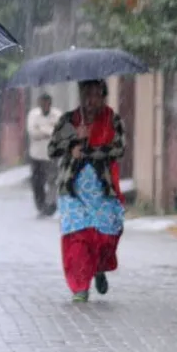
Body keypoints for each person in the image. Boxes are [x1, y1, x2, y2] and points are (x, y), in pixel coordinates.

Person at [47, 79, 126, 302]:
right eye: (86, 95)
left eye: (95, 95)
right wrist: (72, 143)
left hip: (103, 190)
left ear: (103, 96)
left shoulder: (112, 120)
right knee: (77, 237)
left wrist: (91, 150)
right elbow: (52, 148)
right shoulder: (69, 121)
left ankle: (98, 268)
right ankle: (79, 287)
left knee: (104, 238)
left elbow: (118, 149)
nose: (90, 101)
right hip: (72, 191)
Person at [26, 93, 62, 216]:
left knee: (53, 180)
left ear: (50, 104)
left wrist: (41, 129)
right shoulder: (33, 115)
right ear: (39, 104)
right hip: (36, 154)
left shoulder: (57, 115)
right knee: (37, 182)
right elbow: (32, 132)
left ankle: (51, 204)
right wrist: (49, 130)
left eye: (47, 103)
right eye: (42, 103)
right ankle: (40, 205)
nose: (44, 106)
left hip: (52, 154)